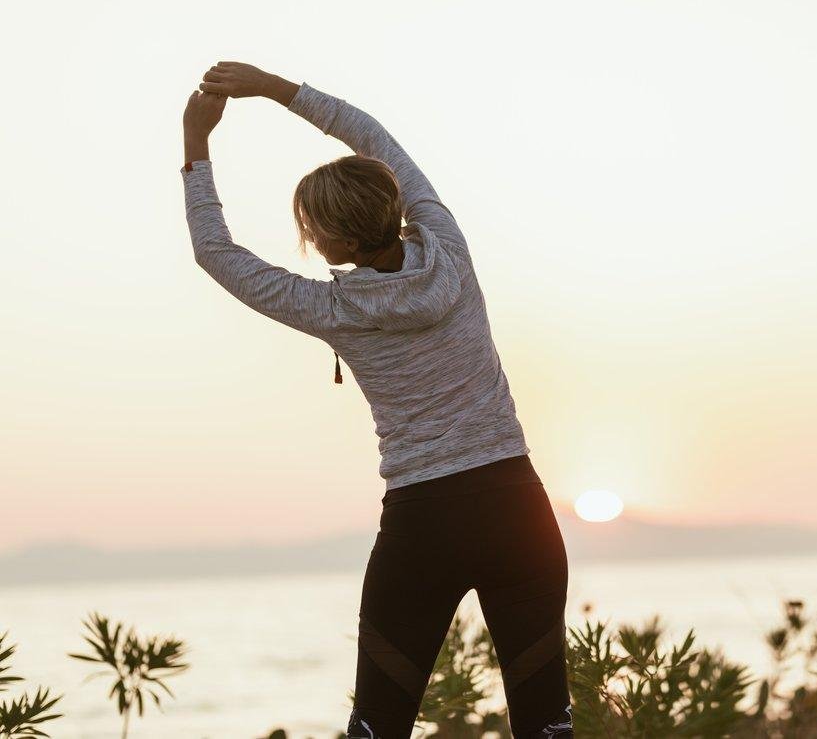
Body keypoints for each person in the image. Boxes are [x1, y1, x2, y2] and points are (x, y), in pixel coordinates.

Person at [180, 63, 574, 739]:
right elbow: (373, 136)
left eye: (311, 226)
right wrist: (274, 87)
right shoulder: (448, 246)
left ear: (339, 241)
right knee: (545, 724)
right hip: (519, 510)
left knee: (378, 724)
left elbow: (216, 252)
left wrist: (195, 145)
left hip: (426, 524)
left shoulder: (330, 307)